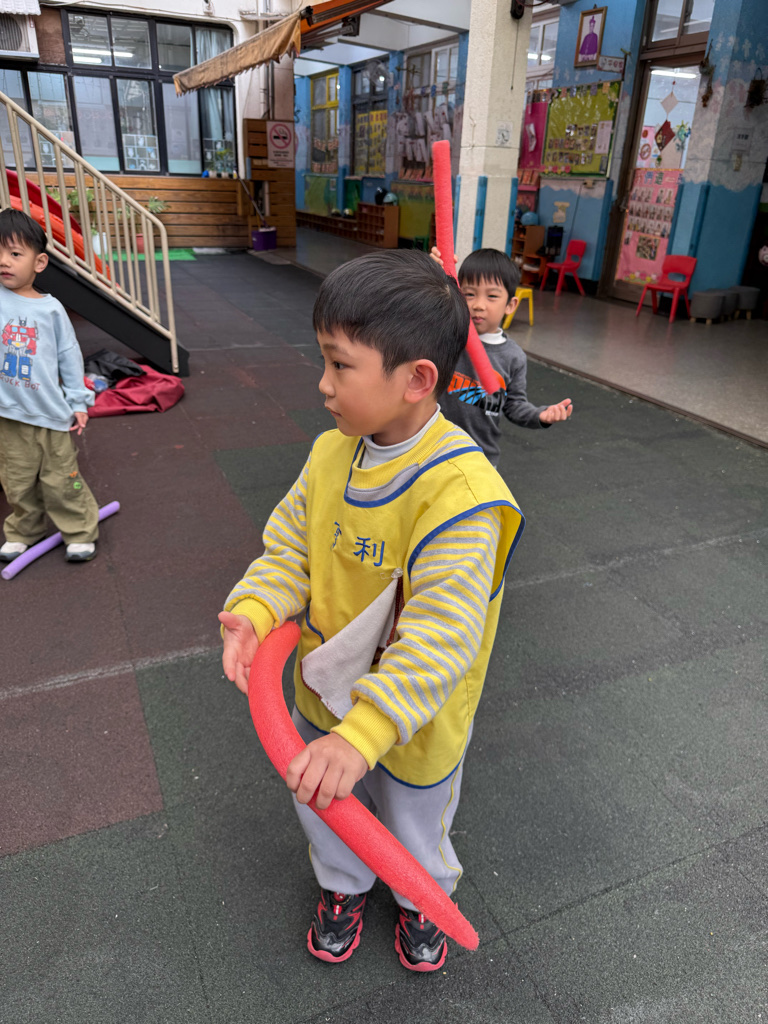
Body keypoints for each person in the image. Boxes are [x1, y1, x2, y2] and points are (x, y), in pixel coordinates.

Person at [219, 250, 524, 972]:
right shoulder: (332, 454)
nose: (323, 384)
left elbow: (440, 637)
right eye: (323, 360)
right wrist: (256, 611)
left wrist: (365, 736)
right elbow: (290, 550)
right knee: (328, 808)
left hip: (412, 719)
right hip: (326, 694)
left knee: (415, 819)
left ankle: (421, 896)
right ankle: (343, 885)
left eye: (340, 365)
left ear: (416, 379)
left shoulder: (461, 495)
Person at [0, 208, 99, 563]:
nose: (4, 261)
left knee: (62, 479)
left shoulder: (51, 310)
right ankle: (24, 531)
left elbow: (69, 358)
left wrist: (78, 401)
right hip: (8, 414)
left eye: (15, 253)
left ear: (39, 262)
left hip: (51, 414)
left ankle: (79, 531)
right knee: (16, 480)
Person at [432, 246, 573, 467]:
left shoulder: (513, 357)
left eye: (492, 296)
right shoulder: (447, 336)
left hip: (480, 458)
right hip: (432, 449)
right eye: (469, 294)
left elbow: (514, 406)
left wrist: (540, 415)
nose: (478, 305)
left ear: (510, 305)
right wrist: (433, 274)